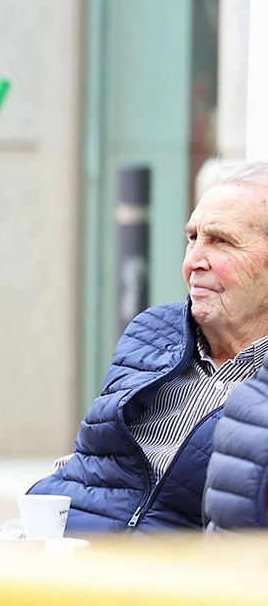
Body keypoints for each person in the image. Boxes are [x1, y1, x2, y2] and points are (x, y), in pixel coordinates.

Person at [34, 163, 268, 531]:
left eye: (221, 241)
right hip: (61, 557)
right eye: (192, 239)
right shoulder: (154, 331)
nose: (192, 262)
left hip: (160, 582)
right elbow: (88, 465)